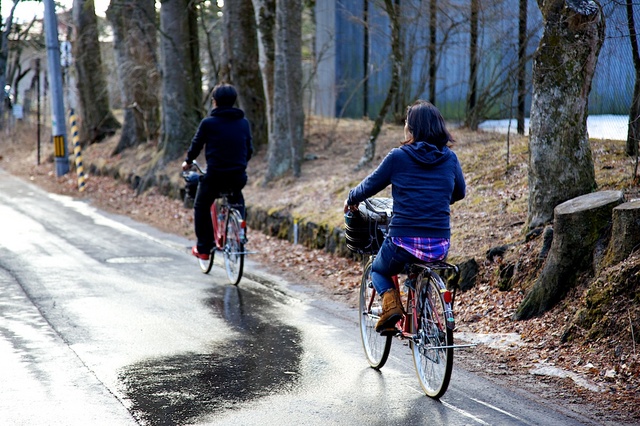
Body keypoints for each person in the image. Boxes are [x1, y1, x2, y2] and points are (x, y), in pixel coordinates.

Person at [344, 100, 466, 334]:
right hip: (440, 244)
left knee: (379, 269)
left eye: (406, 124)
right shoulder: (450, 158)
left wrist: (351, 199)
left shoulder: (398, 157)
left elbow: (369, 185)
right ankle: (420, 306)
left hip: (403, 241)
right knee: (418, 265)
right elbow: (459, 192)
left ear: (412, 129)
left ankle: (391, 306)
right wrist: (436, 198)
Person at [182, 83, 254, 260]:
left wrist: (188, 162)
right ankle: (240, 234)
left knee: (201, 206)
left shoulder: (208, 123)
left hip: (215, 177)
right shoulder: (243, 123)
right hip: (237, 176)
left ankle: (204, 248)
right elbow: (249, 149)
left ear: (214, 102)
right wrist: (239, 163)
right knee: (237, 198)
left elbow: (196, 146)